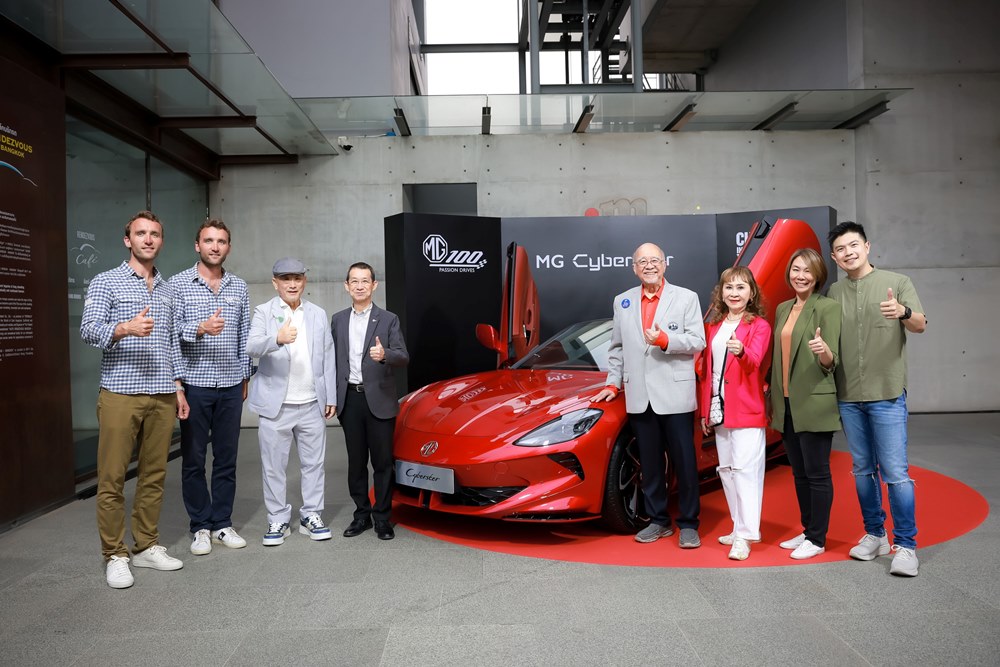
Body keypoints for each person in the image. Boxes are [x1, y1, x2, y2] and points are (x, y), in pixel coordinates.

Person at [80, 210, 187, 589]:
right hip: (120, 394)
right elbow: (88, 329)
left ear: (161, 241)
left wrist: (178, 387)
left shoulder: (169, 289)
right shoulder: (106, 281)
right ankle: (115, 554)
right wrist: (124, 328)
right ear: (128, 240)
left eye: (154, 234)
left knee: (154, 475)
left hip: (162, 394)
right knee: (111, 478)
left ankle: (146, 546)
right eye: (141, 233)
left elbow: (172, 342)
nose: (148, 239)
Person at [828, 221, 927, 576]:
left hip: (887, 393)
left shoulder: (897, 283)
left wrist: (902, 312)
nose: (848, 253)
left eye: (853, 245)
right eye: (840, 249)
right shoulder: (834, 293)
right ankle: (875, 534)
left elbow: (920, 324)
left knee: (896, 473)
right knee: (862, 470)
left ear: (867, 246)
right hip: (849, 395)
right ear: (834, 257)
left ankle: (906, 545)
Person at [593, 242, 706, 548]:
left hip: (676, 395)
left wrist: (665, 340)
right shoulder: (622, 301)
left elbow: (698, 341)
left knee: (684, 463)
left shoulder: (686, 297)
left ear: (665, 264)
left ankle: (689, 523)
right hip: (640, 396)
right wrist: (612, 383)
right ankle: (658, 521)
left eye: (654, 260)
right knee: (651, 465)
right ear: (634, 268)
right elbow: (616, 348)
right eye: (642, 262)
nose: (649, 266)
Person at [169, 219, 251, 556]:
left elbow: (244, 335)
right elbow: (170, 334)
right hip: (195, 385)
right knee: (193, 460)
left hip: (231, 385)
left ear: (228, 246)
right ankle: (200, 526)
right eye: (208, 240)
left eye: (221, 241)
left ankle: (222, 523)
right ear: (197, 245)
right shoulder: (177, 285)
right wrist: (199, 328)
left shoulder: (238, 286)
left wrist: (245, 377)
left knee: (227, 459)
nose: (215, 247)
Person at [247, 258, 337, 546]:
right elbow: (251, 346)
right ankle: (278, 519)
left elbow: (328, 356)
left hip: (311, 403)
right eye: (285, 279)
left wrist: (330, 396)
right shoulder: (264, 312)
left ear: (304, 282)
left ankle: (311, 515)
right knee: (274, 466)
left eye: (297, 278)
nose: (292, 284)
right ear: (275, 283)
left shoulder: (317, 314)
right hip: (276, 406)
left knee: (314, 464)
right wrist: (277, 338)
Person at [769, 248, 841, 560]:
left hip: (813, 401)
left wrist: (823, 350)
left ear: (818, 275)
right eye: (796, 269)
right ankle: (808, 529)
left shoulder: (828, 308)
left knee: (817, 473)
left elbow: (832, 362)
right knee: (799, 473)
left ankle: (817, 538)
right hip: (785, 402)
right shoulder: (783, 308)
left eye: (807, 270)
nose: (801, 275)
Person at [331, 262, 410, 540]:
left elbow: (403, 356)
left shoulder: (388, 319)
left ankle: (382, 518)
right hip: (350, 400)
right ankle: (361, 515)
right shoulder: (338, 320)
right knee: (356, 463)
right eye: (354, 281)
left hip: (379, 400)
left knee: (382, 463)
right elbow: (332, 361)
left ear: (374, 285)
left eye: (365, 281)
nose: (360, 286)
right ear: (347, 286)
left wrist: (385, 354)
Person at [698, 266, 771, 561]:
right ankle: (737, 525)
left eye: (741, 287)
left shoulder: (759, 326)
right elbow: (707, 373)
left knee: (745, 472)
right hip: (719, 410)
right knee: (727, 471)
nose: (734, 293)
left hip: (746, 408)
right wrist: (705, 411)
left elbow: (755, 361)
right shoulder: (714, 326)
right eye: (729, 287)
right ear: (721, 292)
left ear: (751, 293)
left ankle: (746, 535)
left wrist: (741, 351)